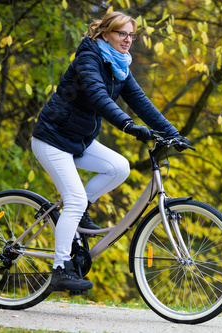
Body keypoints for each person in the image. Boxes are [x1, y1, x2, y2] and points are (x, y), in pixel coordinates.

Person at [31, 11, 188, 292]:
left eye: (131, 35)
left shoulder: (119, 66)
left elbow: (140, 102)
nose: (128, 40)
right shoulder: (89, 58)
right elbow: (97, 95)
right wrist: (128, 125)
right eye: (121, 34)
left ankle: (78, 213)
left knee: (119, 167)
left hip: (80, 140)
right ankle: (60, 269)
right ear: (106, 34)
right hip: (52, 139)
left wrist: (173, 133)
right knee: (75, 199)